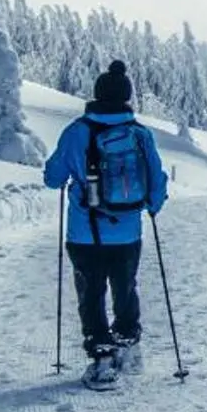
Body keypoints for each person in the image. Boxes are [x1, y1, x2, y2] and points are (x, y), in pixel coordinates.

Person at [44, 59, 169, 386]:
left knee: (91, 293)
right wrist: (152, 206)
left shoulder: (76, 132)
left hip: (84, 234)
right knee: (125, 288)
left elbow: (53, 178)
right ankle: (129, 347)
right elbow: (156, 181)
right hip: (127, 233)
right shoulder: (140, 134)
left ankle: (102, 359)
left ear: (97, 94)